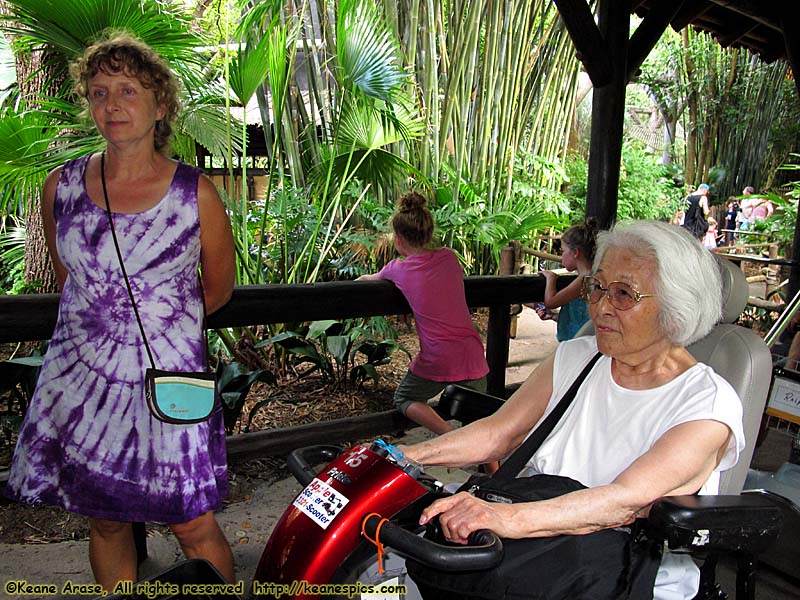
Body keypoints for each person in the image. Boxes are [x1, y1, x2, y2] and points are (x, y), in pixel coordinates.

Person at [402, 220, 744, 600]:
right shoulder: (578, 357)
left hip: (620, 566)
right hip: (526, 535)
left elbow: (624, 501)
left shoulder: (708, 402)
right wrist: (402, 456)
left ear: (676, 307)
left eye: (624, 294)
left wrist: (503, 518)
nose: (600, 306)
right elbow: (500, 432)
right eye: (597, 287)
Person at [4, 32, 236, 590]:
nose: (112, 104)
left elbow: (220, 288)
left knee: (192, 522)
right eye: (100, 91)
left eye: (128, 90)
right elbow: (73, 286)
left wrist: (158, 326)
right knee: (105, 519)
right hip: (87, 385)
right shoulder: (60, 187)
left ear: (160, 106)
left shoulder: (195, 194)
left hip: (166, 383)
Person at [356, 192, 490, 440]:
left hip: (438, 355)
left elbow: (368, 280)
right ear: (429, 233)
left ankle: (448, 434)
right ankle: (494, 474)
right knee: (479, 419)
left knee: (405, 397)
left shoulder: (397, 268)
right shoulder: (449, 258)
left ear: (397, 240)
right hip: (471, 353)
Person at [526, 219, 599, 341]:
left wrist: (551, 278)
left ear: (575, 253)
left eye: (563, 251)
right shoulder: (591, 276)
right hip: (580, 340)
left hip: (577, 344)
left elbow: (551, 302)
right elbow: (581, 317)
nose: (561, 256)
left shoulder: (585, 279)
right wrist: (555, 316)